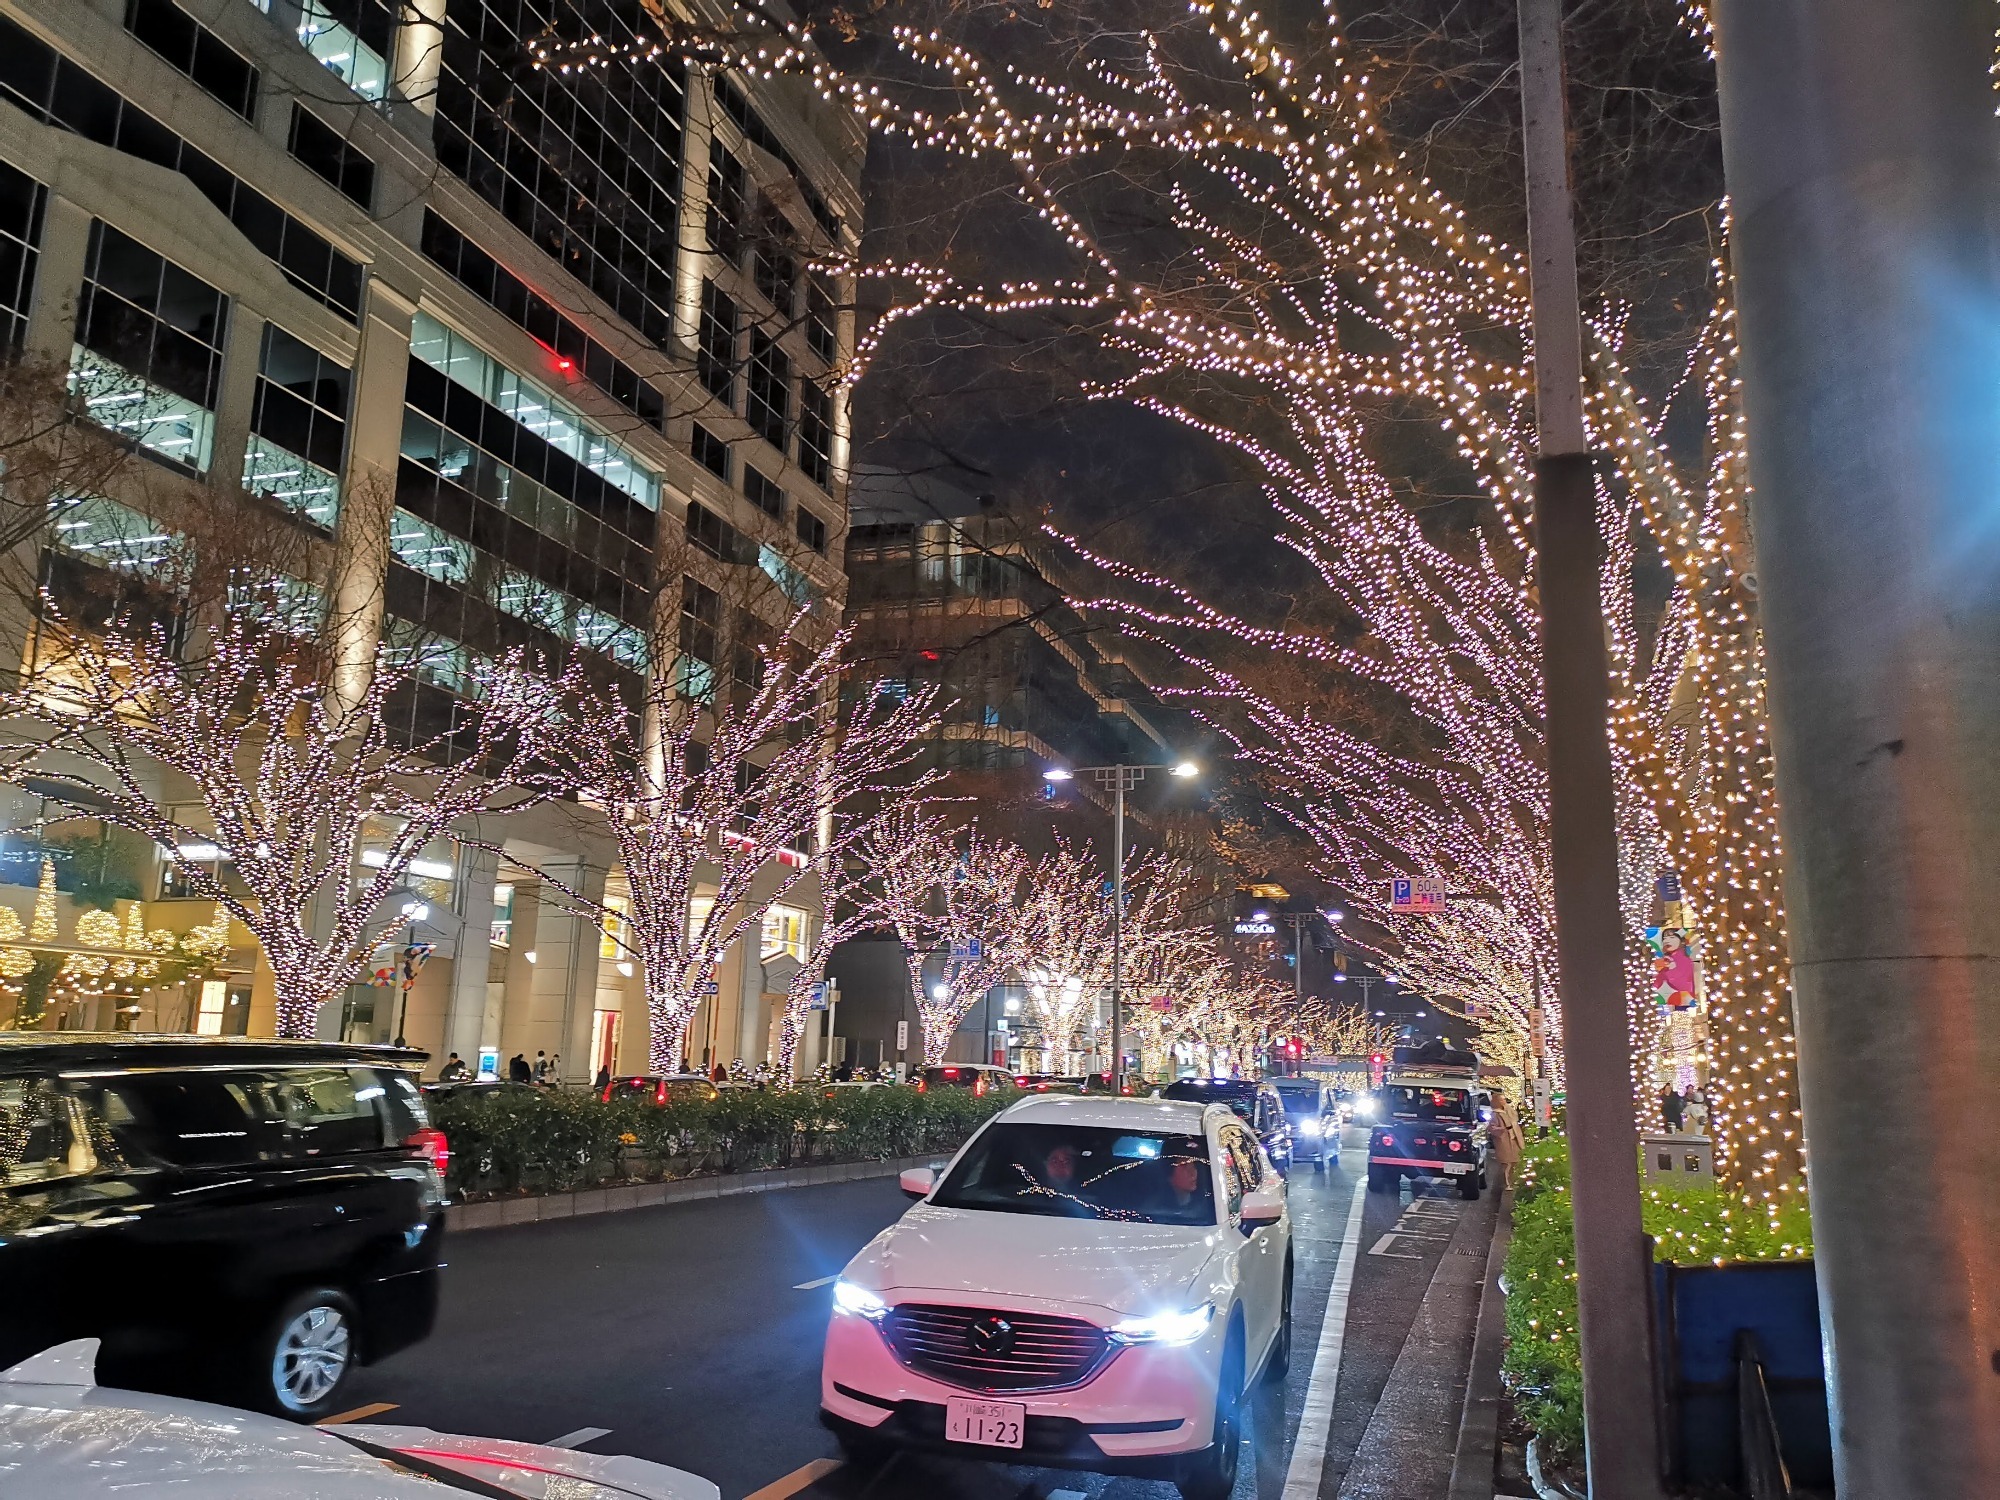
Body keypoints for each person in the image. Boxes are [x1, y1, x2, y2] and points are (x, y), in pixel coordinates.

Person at [1489, 1093, 1527, 1191]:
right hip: (1504, 1139)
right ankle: (1506, 1183)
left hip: (1514, 1138)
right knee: (1506, 1163)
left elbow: (1515, 1116)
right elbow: (1492, 1128)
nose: (1504, 1101)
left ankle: (1513, 1181)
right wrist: (1503, 1129)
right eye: (1501, 1100)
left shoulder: (1507, 1110)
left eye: (1504, 1099)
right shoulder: (1495, 1114)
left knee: (1515, 1161)